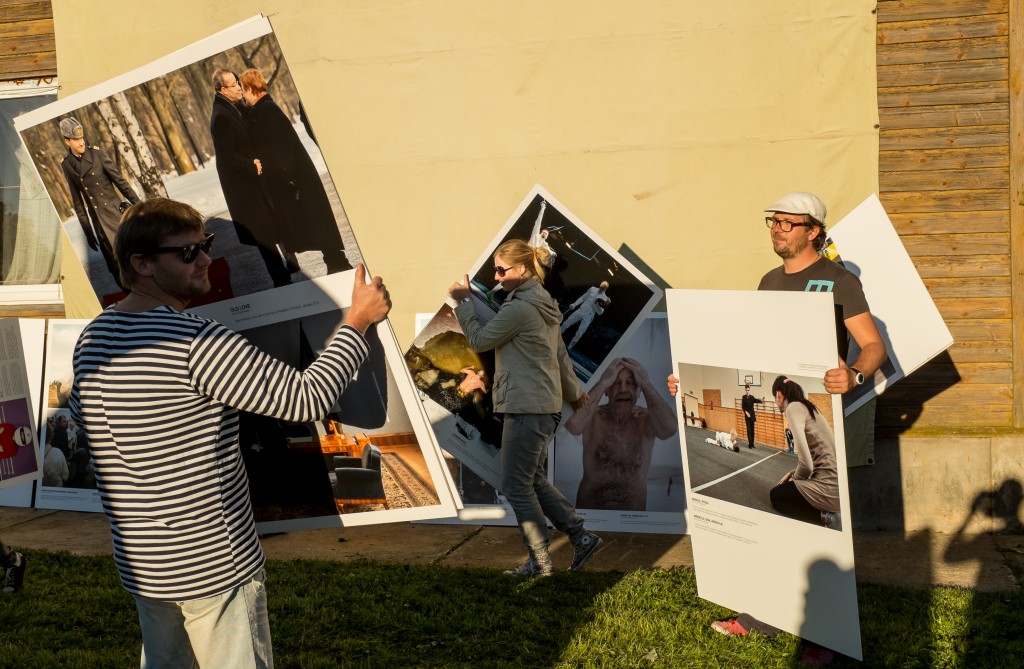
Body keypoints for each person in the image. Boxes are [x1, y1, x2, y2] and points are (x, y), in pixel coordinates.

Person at [69, 197, 390, 668]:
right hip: (214, 565)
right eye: (188, 253)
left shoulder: (95, 337)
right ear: (141, 264)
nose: (206, 260)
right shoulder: (197, 340)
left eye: (207, 245)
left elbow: (83, 413)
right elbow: (306, 400)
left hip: (145, 565)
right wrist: (358, 320)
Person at [667, 191, 887, 645]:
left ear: (813, 231)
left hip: (823, 419)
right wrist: (684, 375)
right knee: (772, 530)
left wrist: (857, 375)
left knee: (815, 541)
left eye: (789, 223)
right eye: (774, 220)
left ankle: (824, 636)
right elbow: (749, 348)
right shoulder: (768, 281)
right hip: (797, 418)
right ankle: (760, 615)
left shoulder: (839, 281)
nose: (777, 228)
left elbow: (873, 347)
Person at [448, 239, 603, 577]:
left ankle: (541, 562)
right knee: (530, 480)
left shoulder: (520, 308)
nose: (496, 275)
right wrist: (574, 392)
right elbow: (560, 354)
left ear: (522, 269)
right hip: (541, 408)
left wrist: (462, 302)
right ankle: (580, 537)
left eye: (501, 269)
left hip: (527, 408)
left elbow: (480, 340)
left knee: (517, 486)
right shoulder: (543, 302)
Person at [239, 68, 353, 274]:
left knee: (316, 221)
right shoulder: (264, 110)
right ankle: (335, 261)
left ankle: (337, 262)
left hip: (295, 178)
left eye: (243, 89)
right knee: (315, 221)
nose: (242, 94)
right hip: (295, 176)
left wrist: (287, 176)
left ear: (249, 88)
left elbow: (281, 146)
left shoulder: (267, 111)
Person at [210, 68, 292, 288]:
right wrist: (250, 164)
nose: (238, 87)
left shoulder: (233, 107)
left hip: (253, 184)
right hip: (245, 189)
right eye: (233, 85)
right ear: (221, 90)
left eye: (237, 82)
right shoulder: (221, 116)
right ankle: (281, 280)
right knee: (264, 238)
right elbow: (226, 157)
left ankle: (287, 268)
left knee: (269, 229)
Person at [565, 357, 677, 510]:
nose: (623, 389)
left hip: (632, 520)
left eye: (630, 383)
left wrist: (646, 383)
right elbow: (573, 425)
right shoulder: (593, 416)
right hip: (590, 516)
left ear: (638, 391)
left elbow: (669, 429)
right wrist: (602, 383)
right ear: (607, 391)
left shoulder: (645, 419)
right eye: (616, 383)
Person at [59, 116, 141, 291]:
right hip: (99, 223)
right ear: (68, 141)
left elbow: (121, 182)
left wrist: (139, 205)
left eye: (81, 138)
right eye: (76, 139)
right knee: (114, 266)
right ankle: (132, 300)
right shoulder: (67, 165)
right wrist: (88, 230)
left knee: (132, 258)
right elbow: (78, 201)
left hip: (117, 217)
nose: (81, 142)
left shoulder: (97, 154)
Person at [768, 376, 840, 529]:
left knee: (776, 495)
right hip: (838, 485)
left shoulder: (792, 408)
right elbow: (815, 459)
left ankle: (828, 517)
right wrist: (791, 472)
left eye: (775, 398)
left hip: (828, 488)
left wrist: (795, 480)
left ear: (779, 395)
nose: (776, 402)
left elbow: (807, 465)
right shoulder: (809, 407)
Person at [561, 281, 611, 349]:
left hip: (589, 316)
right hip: (581, 310)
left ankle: (569, 348)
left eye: (603, 288)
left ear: (605, 289)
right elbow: (583, 298)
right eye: (600, 287)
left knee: (579, 333)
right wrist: (574, 304)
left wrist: (597, 304)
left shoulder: (606, 299)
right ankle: (555, 335)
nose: (600, 289)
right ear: (600, 285)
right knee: (566, 323)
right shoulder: (593, 289)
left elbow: (600, 313)